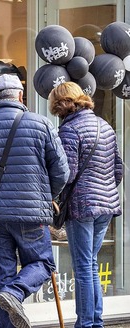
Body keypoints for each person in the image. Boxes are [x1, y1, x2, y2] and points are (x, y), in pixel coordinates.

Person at [0, 73, 70, 328]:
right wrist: (45, 196)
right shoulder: (41, 124)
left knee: (1, 278)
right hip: (31, 216)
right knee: (43, 262)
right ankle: (16, 293)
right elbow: (62, 172)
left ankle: (10, 295)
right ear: (20, 95)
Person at [48, 81, 123, 328]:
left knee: (83, 266)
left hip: (81, 206)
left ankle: (86, 323)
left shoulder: (69, 130)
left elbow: (67, 174)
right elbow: (118, 170)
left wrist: (52, 194)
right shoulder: (105, 126)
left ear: (61, 106)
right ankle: (95, 321)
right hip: (106, 204)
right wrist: (105, 190)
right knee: (90, 263)